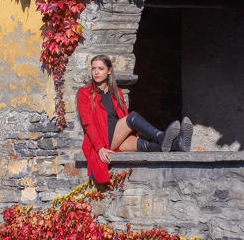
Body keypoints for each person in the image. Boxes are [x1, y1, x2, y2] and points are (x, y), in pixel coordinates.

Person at [77, 54, 193, 184]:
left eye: (100, 68)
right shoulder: (84, 93)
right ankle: (162, 136)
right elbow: (89, 124)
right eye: (93, 69)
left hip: (117, 137)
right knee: (132, 117)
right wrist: (99, 147)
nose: (96, 72)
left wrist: (133, 133)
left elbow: (121, 116)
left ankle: (178, 144)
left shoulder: (116, 92)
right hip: (102, 139)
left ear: (109, 71)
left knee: (145, 145)